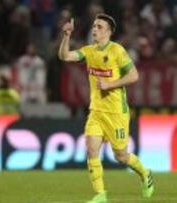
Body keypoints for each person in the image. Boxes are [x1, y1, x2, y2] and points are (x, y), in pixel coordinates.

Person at [58, 14, 154, 203]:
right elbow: (65, 56)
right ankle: (101, 194)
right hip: (96, 111)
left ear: (109, 32)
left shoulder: (117, 51)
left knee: (121, 156)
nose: (95, 29)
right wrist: (66, 36)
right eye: (94, 26)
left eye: (100, 27)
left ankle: (145, 173)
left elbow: (134, 76)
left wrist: (110, 85)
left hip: (117, 112)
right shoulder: (89, 51)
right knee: (92, 150)